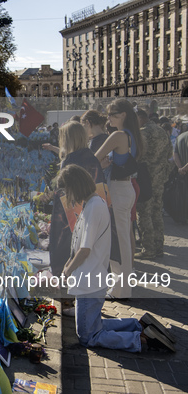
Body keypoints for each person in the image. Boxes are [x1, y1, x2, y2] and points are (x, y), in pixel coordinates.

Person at [57, 164, 174, 353]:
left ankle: (140, 339)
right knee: (95, 325)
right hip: (92, 279)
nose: (68, 196)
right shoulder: (94, 203)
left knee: (88, 336)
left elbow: (85, 249)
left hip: (89, 282)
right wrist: (68, 264)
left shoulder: (93, 208)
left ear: (75, 187)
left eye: (67, 191)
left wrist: (68, 271)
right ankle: (138, 326)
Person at [41, 122, 107, 279]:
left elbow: (63, 191)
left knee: (69, 244)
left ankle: (64, 272)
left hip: (71, 209)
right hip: (92, 206)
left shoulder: (69, 160)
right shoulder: (90, 157)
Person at [95, 99, 145, 300]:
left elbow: (95, 157)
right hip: (126, 187)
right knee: (123, 237)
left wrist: (104, 163)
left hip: (118, 189)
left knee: (119, 240)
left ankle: (120, 288)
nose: (108, 119)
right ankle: (122, 286)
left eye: (111, 114)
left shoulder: (118, 135)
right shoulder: (133, 135)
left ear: (123, 114)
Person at [135, 109, 173, 258]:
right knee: (157, 212)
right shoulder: (162, 131)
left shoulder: (142, 133)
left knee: (144, 212)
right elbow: (169, 153)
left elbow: (136, 155)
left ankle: (148, 249)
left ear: (140, 118)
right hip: (160, 177)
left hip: (146, 178)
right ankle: (158, 246)